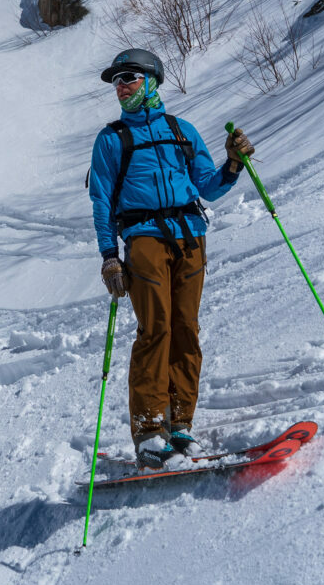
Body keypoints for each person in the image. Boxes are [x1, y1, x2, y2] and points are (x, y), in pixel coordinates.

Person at [89, 48, 254, 468]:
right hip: (143, 239)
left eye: (128, 77)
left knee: (186, 328)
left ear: (151, 81)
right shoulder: (112, 139)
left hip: (190, 238)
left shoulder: (182, 131)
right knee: (155, 327)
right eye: (116, 81)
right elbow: (102, 202)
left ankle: (180, 425)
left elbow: (208, 186)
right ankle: (148, 430)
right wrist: (110, 256)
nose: (121, 86)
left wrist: (233, 165)